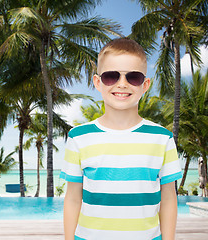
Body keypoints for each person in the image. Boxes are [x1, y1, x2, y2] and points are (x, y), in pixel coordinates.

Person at [60, 38, 182, 240]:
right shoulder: (78, 137)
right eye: (111, 76)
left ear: (145, 85)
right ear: (98, 82)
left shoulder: (163, 138)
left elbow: (168, 199)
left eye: (133, 77)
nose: (122, 84)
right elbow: (73, 198)